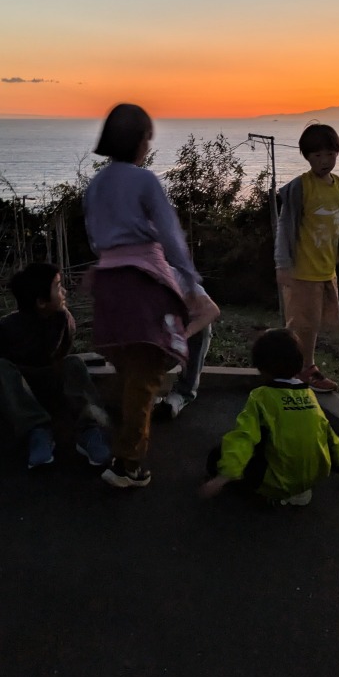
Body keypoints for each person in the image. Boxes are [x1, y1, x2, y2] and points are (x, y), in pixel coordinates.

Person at [83, 103, 219, 489]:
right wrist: (188, 278)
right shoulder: (144, 180)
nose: (148, 145)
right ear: (138, 140)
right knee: (145, 374)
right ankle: (127, 464)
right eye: (147, 138)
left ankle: (121, 446)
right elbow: (170, 234)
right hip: (142, 280)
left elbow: (94, 237)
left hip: (109, 281)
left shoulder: (96, 185)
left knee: (129, 370)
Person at [0, 262, 110, 470]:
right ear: (41, 302)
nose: (64, 292)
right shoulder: (7, 327)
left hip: (51, 381)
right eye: (58, 287)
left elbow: (63, 351)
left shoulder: (64, 319)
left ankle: (89, 430)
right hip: (22, 387)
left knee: (74, 363)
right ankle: (38, 431)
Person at [200, 328, 339, 506]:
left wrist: (224, 477)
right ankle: (299, 489)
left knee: (217, 456)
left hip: (277, 480)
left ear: (262, 368)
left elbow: (244, 437)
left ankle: (274, 494)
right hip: (312, 477)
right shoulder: (309, 395)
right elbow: (329, 436)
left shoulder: (261, 397)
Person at [274, 123, 339, 393]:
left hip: (327, 271)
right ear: (307, 157)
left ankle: (293, 366)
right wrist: (282, 265)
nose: (324, 161)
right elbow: (285, 227)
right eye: (317, 155)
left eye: (330, 154)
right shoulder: (300, 187)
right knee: (302, 325)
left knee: (316, 324)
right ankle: (303, 369)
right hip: (302, 271)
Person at [153, 280, 214, 419]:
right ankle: (142, 390)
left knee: (202, 325)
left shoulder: (179, 278)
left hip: (171, 345)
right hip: (142, 350)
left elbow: (211, 310)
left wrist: (184, 335)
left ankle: (183, 392)